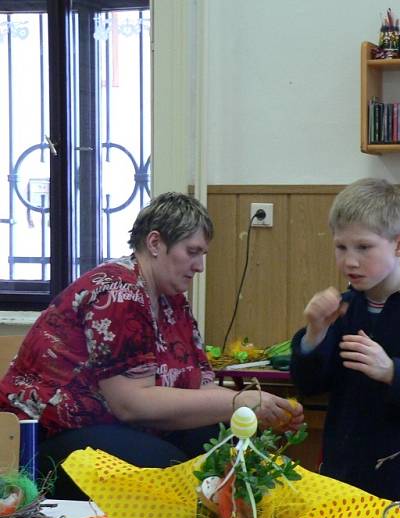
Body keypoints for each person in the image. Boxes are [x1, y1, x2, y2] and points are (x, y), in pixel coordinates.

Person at [0, 192, 303, 498]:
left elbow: (200, 389)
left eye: (202, 255)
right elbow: (132, 405)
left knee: (229, 443)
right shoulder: (118, 291)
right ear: (155, 243)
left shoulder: (173, 301)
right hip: (45, 438)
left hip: (112, 428)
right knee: (171, 471)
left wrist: (260, 409)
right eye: (192, 252)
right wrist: (239, 403)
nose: (199, 266)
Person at [290, 178, 400, 501]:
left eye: (363, 247)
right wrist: (314, 334)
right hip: (341, 475)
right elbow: (308, 386)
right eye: (341, 247)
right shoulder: (343, 308)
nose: (350, 261)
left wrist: (393, 371)